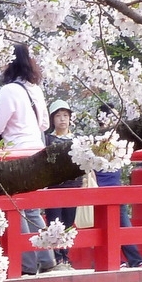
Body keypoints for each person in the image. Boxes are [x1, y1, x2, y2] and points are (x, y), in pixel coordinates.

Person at [0, 43, 55, 276]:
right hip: (36, 150)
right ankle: (46, 258)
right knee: (33, 208)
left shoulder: (9, 90)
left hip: (16, 153)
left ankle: (27, 263)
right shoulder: (35, 88)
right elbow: (45, 124)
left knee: (18, 208)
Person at [44, 99, 80, 271]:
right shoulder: (47, 139)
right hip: (54, 186)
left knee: (68, 222)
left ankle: (65, 257)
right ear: (52, 119)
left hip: (73, 185)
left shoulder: (78, 139)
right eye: (58, 116)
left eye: (65, 115)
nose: (62, 119)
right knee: (54, 221)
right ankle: (56, 258)